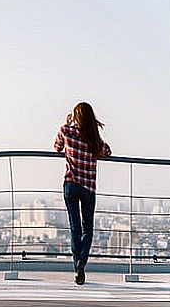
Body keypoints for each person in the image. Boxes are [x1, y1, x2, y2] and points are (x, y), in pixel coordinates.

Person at [53, 102, 112, 285]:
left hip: (70, 185)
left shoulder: (66, 130)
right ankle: (81, 262)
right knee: (88, 229)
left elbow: (57, 147)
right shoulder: (93, 138)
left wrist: (68, 125)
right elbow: (108, 152)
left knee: (74, 228)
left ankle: (76, 267)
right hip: (88, 188)